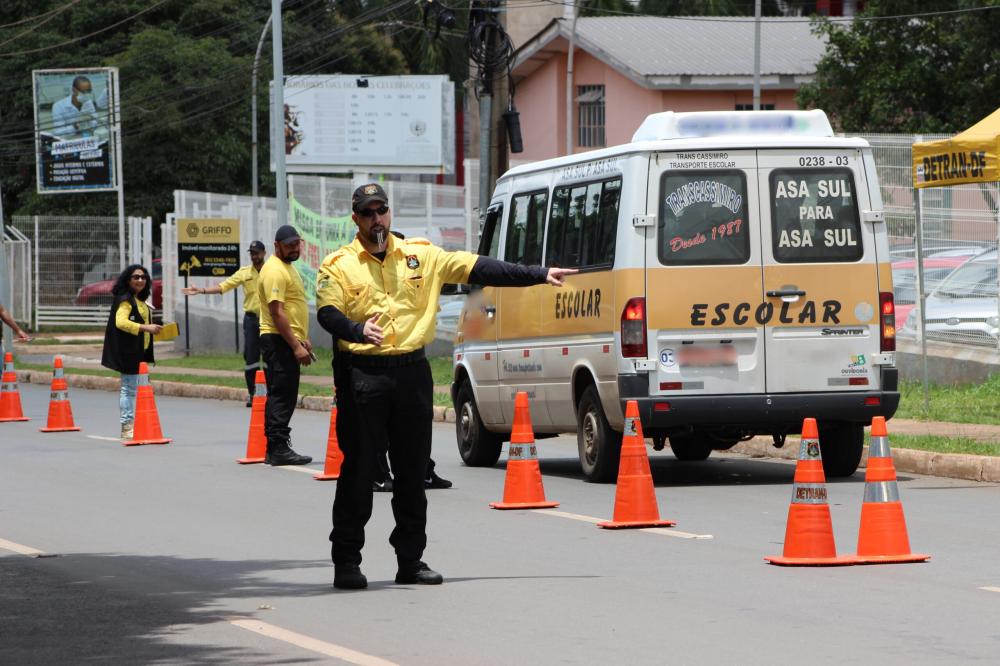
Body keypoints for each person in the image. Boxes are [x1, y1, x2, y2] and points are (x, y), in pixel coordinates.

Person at [316, 183, 577, 590]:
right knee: (360, 470)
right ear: (356, 219)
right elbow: (328, 313)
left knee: (412, 471)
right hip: (364, 376)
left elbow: (481, 268)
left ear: (390, 212)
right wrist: (355, 329)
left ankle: (410, 560)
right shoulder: (338, 264)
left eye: (381, 210)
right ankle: (347, 560)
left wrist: (540, 274)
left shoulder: (422, 255)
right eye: (367, 213)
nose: (376, 219)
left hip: (411, 375)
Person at [183, 241, 267, 406]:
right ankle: (253, 394)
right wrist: (202, 290)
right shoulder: (245, 273)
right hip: (251, 320)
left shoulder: (272, 271)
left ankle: (270, 394)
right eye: (252, 253)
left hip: (269, 321)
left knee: (270, 359)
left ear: (264, 253)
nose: (254, 256)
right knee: (251, 359)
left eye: (257, 253)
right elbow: (224, 286)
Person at [257, 225, 312, 466]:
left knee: (285, 392)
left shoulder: (287, 268)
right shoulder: (274, 271)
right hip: (277, 339)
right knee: (283, 393)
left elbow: (291, 308)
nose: (294, 248)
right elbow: (277, 313)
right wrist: (296, 346)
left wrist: (301, 338)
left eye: (297, 244)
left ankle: (275, 447)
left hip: (286, 338)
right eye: (289, 245)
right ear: (277, 245)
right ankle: (278, 447)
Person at [101, 265, 161, 441]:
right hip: (128, 352)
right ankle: (127, 427)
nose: (140, 280)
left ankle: (143, 423)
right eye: (136, 277)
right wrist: (145, 327)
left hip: (140, 352)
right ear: (128, 279)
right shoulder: (125, 299)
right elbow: (121, 322)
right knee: (128, 389)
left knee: (142, 389)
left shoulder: (139, 300)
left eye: (143, 278)